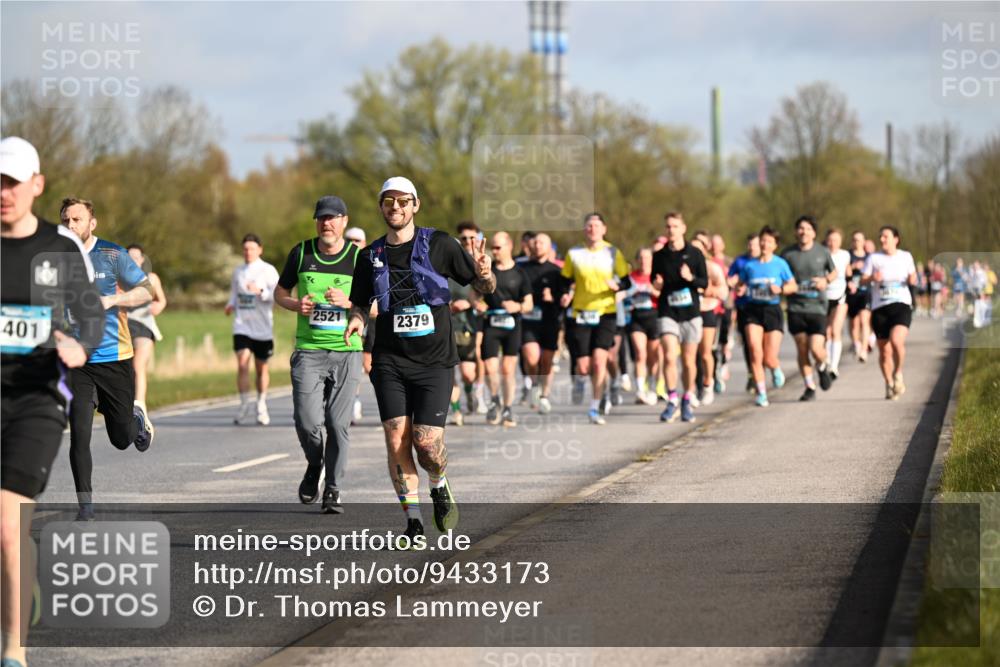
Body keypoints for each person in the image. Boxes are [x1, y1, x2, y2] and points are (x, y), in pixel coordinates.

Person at [345, 177, 496, 540]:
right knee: (397, 436)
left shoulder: (440, 244)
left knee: (427, 444)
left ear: (415, 205)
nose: (395, 207)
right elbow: (360, 303)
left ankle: (439, 482)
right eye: (388, 201)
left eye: (402, 201)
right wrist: (354, 321)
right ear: (381, 207)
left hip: (435, 361)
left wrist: (485, 274)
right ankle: (412, 522)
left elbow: (483, 288)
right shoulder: (370, 256)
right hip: (390, 360)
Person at [2, 136, 103, 667]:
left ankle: (13, 652)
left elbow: (90, 314)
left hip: (37, 396)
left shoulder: (60, 249)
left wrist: (79, 344)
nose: (3, 192)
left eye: (12, 182)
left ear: (35, 186)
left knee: (7, 521)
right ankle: (18, 588)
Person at [60, 197, 156, 521]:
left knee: (120, 438)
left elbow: (146, 291)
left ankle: (136, 420)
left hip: (114, 358)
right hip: (79, 362)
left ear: (91, 223)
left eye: (76, 219)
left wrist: (113, 299)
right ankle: (85, 506)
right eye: (66, 221)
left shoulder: (113, 255)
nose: (70, 226)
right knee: (80, 434)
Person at [274, 197, 363, 514]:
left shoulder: (358, 257)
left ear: (344, 221)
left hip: (347, 351)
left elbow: (376, 305)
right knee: (307, 421)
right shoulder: (301, 253)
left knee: (338, 425)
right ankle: (315, 464)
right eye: (321, 218)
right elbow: (280, 293)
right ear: (316, 222)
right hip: (309, 351)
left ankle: (334, 489)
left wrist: (348, 303)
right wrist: (296, 305)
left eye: (333, 218)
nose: (327, 223)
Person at [559, 213, 630, 425]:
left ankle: (594, 406)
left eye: (597, 226)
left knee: (600, 361)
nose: (592, 229)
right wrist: (565, 293)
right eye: (589, 226)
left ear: (604, 229)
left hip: (606, 312)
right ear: (584, 230)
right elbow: (564, 280)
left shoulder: (612, 252)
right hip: (580, 313)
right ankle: (602, 389)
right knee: (583, 366)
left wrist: (618, 286)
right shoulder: (574, 253)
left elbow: (627, 281)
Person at [652, 212, 707, 423]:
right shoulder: (660, 255)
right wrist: (656, 284)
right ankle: (672, 398)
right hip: (668, 311)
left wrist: (690, 278)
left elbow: (704, 283)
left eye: (675, 226)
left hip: (691, 313)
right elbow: (655, 280)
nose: (671, 230)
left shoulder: (695, 254)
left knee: (688, 360)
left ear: (683, 228)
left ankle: (687, 398)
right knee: (668, 355)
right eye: (668, 226)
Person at [736, 226, 796, 407]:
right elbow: (740, 285)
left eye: (769, 241)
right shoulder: (749, 265)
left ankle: (775, 368)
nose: (764, 244)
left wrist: (781, 289)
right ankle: (761, 393)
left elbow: (792, 286)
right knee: (755, 351)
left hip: (772, 311)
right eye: (762, 240)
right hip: (752, 310)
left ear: (775, 245)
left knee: (769, 357)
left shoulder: (780, 264)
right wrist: (740, 289)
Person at [224, 233, 280, 425]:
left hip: (263, 328)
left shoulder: (268, 270)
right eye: (245, 249)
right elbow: (234, 293)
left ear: (260, 250)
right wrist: (230, 304)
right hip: (242, 325)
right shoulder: (238, 271)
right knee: (242, 362)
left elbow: (278, 295)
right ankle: (243, 404)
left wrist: (261, 292)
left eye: (252, 249)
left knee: (261, 367)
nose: (248, 252)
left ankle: (261, 403)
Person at [477, 232, 532, 427]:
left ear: (509, 246)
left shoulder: (520, 273)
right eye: (493, 247)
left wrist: (516, 307)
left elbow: (529, 304)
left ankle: (508, 408)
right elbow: (473, 294)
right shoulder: (487, 271)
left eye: (498, 247)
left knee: (507, 369)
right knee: (491, 368)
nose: (495, 251)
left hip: (512, 325)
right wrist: (478, 304)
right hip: (491, 323)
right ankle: (495, 401)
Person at [780, 216, 837, 402]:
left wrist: (825, 281)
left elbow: (834, 272)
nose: (803, 232)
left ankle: (823, 365)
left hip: (818, 307)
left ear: (814, 232)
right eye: (800, 228)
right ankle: (809, 386)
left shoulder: (822, 252)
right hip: (795, 307)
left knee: (816, 349)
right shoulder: (787, 254)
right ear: (796, 231)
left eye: (807, 228)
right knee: (802, 349)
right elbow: (778, 275)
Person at [862, 226, 917, 400]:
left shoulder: (905, 256)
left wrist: (912, 279)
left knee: (896, 341)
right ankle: (889, 383)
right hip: (880, 309)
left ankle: (898, 373)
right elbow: (863, 280)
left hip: (901, 305)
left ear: (896, 239)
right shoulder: (873, 258)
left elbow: (913, 276)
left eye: (886, 236)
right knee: (884, 351)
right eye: (881, 237)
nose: (882, 240)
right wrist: (872, 278)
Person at [519, 232, 563, 414]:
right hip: (528, 320)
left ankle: (544, 395)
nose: (538, 246)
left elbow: (564, 297)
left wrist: (553, 297)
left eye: (542, 243)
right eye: (535, 242)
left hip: (550, 320)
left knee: (546, 360)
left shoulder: (556, 271)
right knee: (531, 358)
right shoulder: (521, 268)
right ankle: (534, 384)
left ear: (549, 247)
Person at [125, 244, 166, 412]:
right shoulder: (117, 279)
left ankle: (139, 405)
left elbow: (162, 300)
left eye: (136, 257)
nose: (133, 261)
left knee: (137, 365)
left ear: (142, 260)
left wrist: (158, 306)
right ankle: (124, 404)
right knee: (124, 369)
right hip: (124, 326)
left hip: (144, 325)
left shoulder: (152, 278)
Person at [691, 231, 728, 406]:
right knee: (691, 355)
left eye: (699, 249)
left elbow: (724, 292)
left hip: (707, 311)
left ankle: (708, 384)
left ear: (705, 251)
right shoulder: (684, 267)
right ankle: (692, 388)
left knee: (705, 352)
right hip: (688, 312)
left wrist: (708, 291)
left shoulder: (712, 268)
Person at [624, 247, 661, 406]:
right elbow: (622, 296)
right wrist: (630, 294)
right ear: (637, 260)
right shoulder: (630, 277)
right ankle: (640, 390)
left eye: (647, 258)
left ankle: (652, 388)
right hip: (636, 317)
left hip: (654, 316)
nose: (644, 261)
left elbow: (664, 295)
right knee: (640, 353)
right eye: (641, 258)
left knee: (653, 356)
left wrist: (653, 290)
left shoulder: (657, 277)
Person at [727, 233, 761, 394]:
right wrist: (734, 283)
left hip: (762, 307)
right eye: (749, 244)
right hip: (744, 307)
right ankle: (752, 374)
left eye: (755, 244)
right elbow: (730, 278)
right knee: (749, 343)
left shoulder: (763, 261)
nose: (752, 247)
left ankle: (760, 370)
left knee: (762, 345)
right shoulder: (740, 261)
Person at [345, 227, 369, 424]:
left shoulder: (370, 262)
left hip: (369, 320)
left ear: (364, 243)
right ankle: (353, 403)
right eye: (349, 239)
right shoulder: (339, 262)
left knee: (368, 365)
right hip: (343, 322)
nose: (353, 243)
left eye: (357, 240)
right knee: (352, 364)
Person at [823, 229, 851, 379]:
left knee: (835, 330)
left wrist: (853, 282)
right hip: (824, 297)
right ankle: (827, 361)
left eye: (836, 240)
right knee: (826, 333)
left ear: (840, 241)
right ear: (826, 240)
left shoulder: (845, 255)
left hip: (840, 296)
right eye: (830, 240)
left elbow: (849, 273)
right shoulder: (821, 254)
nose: (833, 243)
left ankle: (834, 366)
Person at [846, 231, 872, 362]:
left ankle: (864, 350)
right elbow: (843, 272)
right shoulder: (848, 255)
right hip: (852, 293)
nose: (857, 242)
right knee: (854, 323)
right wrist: (853, 266)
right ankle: (856, 343)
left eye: (860, 240)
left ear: (864, 241)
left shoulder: (869, 257)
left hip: (865, 292)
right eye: (855, 240)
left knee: (864, 320)